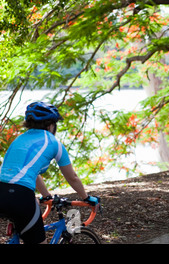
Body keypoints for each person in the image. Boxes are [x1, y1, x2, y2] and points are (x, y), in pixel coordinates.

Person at [0, 102, 99, 244]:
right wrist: (86, 197)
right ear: (51, 125)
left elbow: (31, 173)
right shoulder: (54, 143)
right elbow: (72, 177)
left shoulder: (19, 139)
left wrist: (46, 196)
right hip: (20, 197)